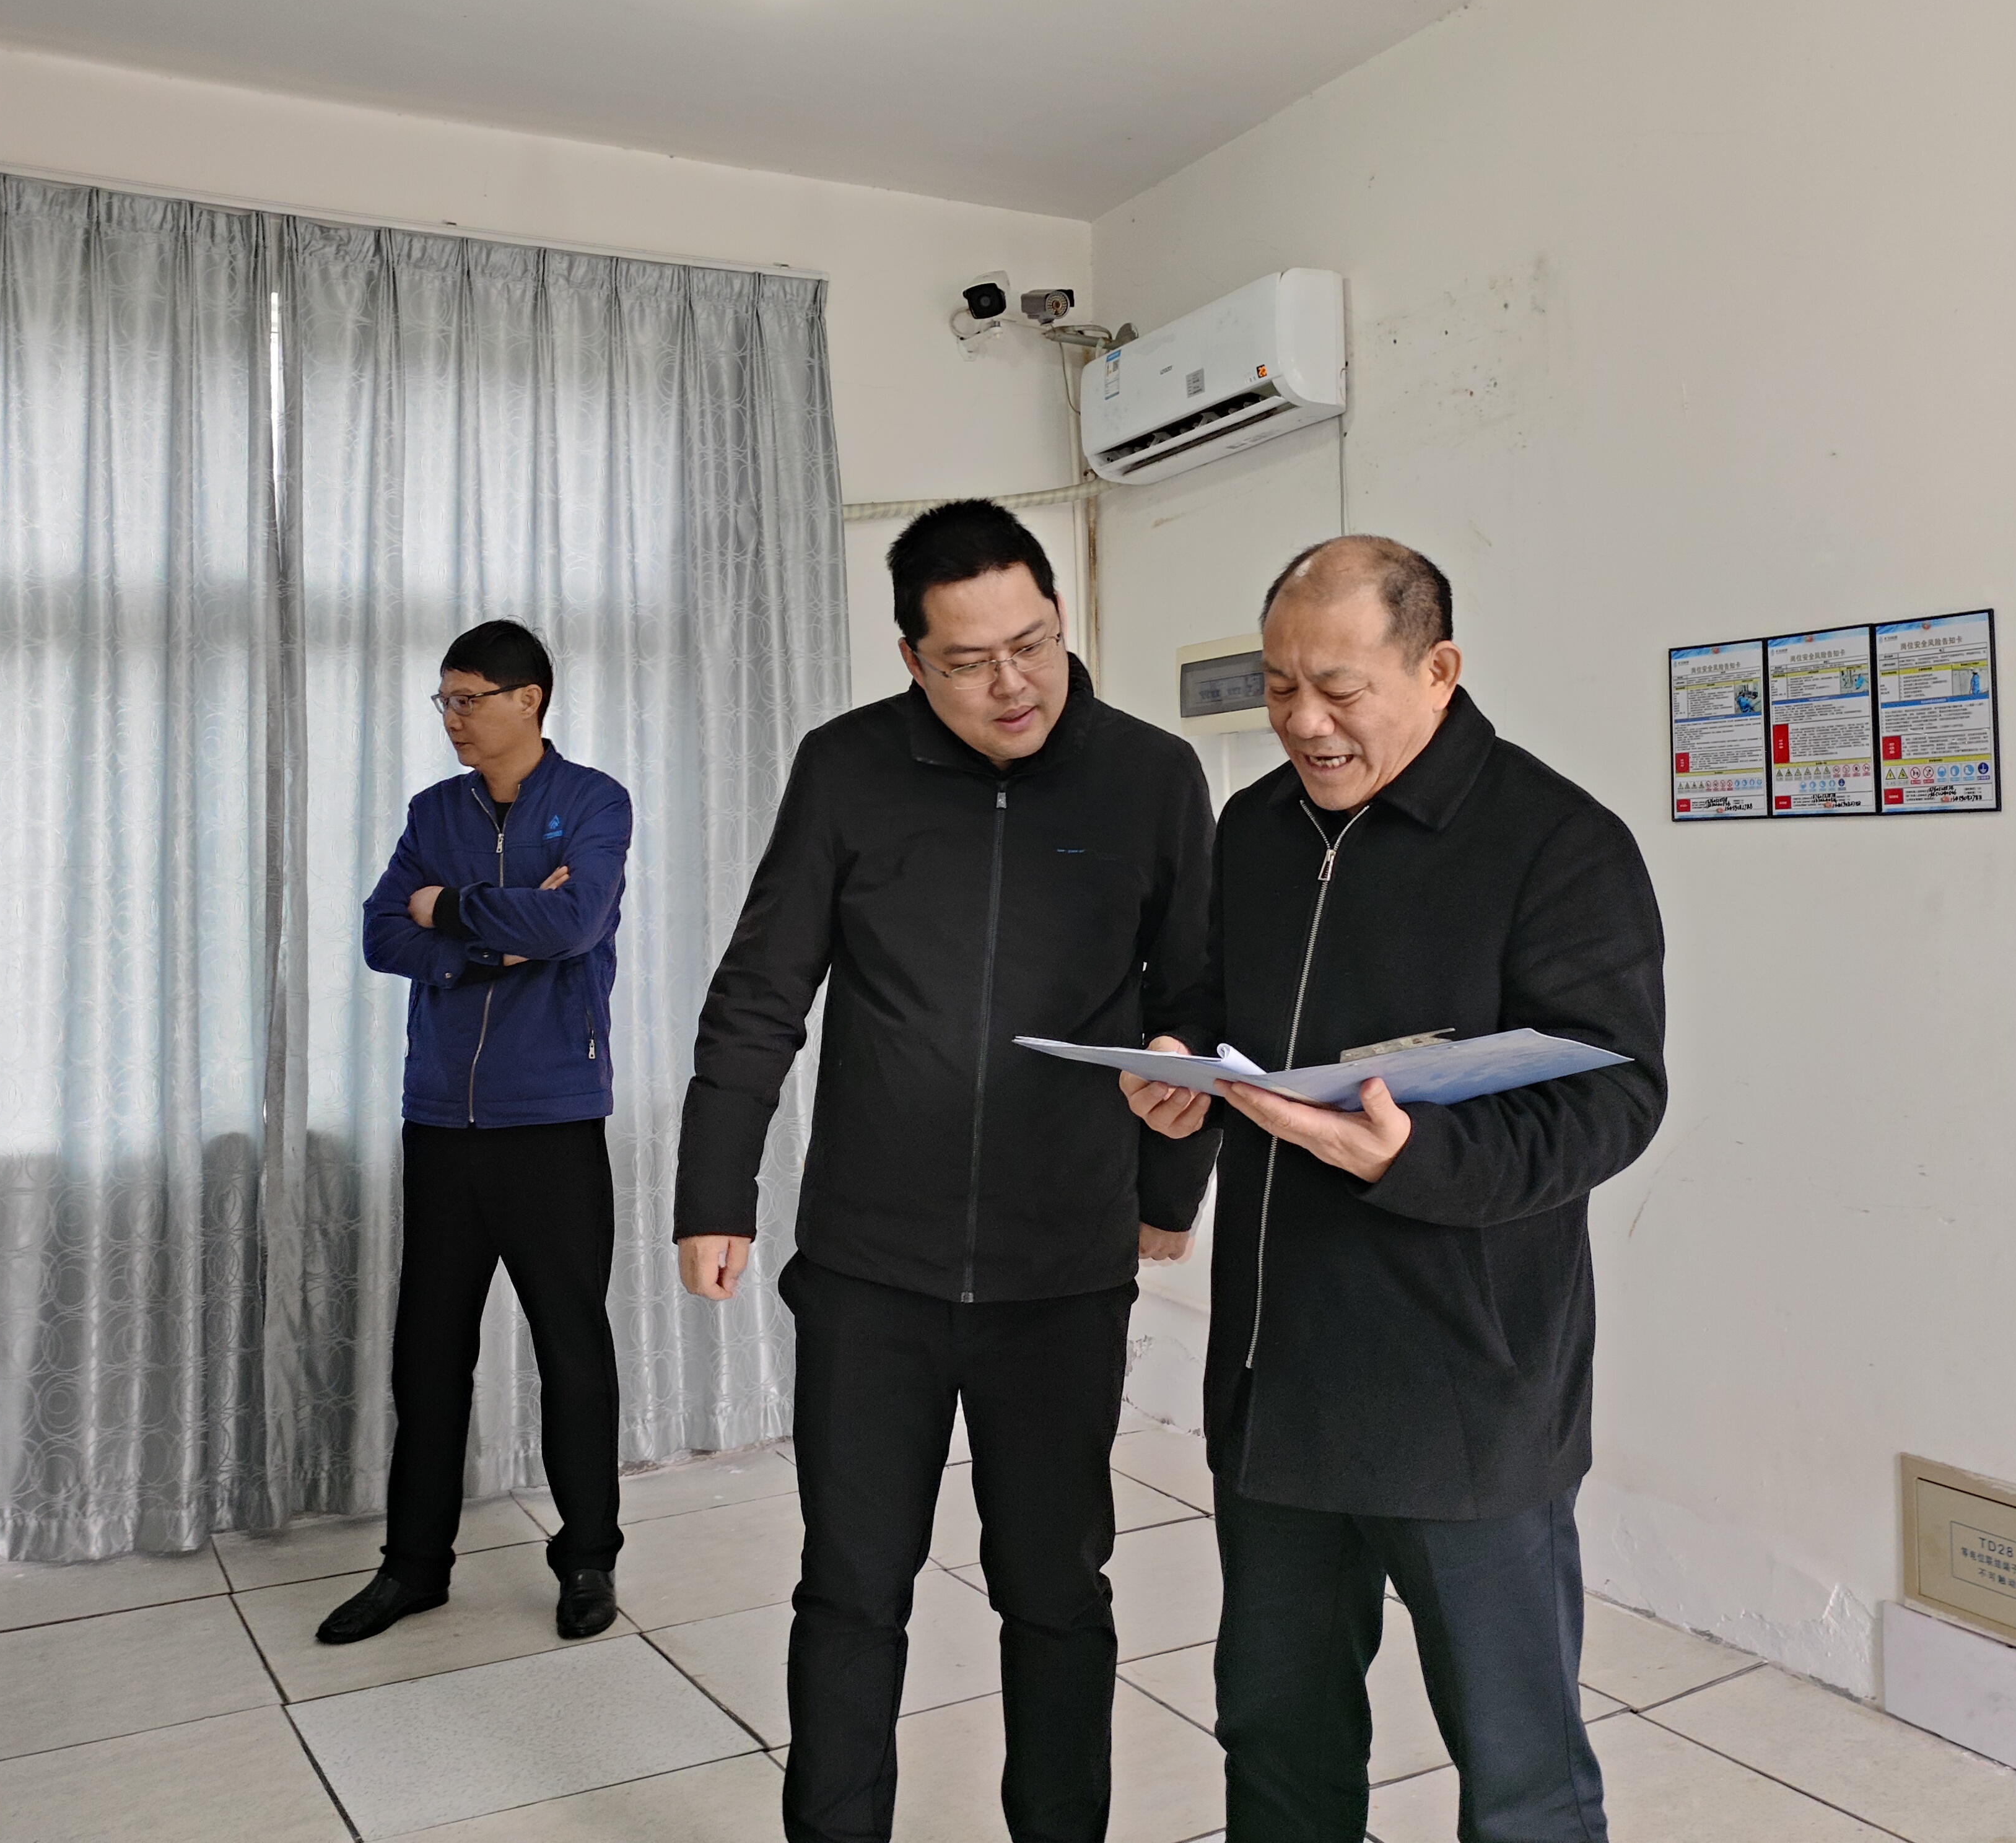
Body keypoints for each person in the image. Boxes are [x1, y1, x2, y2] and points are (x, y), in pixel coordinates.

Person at [676, 500, 1218, 1843]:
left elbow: (1196, 1001)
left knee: (1056, 1591)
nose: (1012, 683)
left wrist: (1167, 1191)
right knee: (852, 1590)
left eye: (1032, 643)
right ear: (913, 658)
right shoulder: (846, 768)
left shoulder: (1150, 776)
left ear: (1058, 617)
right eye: (970, 661)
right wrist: (714, 1189)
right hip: (872, 1269)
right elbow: (762, 988)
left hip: (1061, 1269)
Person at [1120, 536, 1666, 1843]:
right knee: (1276, 1740)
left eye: (1339, 689)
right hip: (1277, 1379)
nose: (1303, 723)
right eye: (1277, 687)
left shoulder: (1556, 844)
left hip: (1466, 1391)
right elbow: (1208, 1006)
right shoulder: (1254, 829)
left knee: (1518, 1772)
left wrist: (1410, 1161)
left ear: (1438, 669)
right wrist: (1178, 1068)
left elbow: (1613, 1100)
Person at [319, 620, 635, 1647]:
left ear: (527, 699)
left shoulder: (594, 802)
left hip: (553, 1117)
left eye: (468, 699)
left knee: (572, 1352)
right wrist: (490, 945)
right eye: (444, 701)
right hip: (441, 1120)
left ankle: (587, 1561)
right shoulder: (434, 811)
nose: (452, 719)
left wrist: (447, 907)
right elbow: (381, 933)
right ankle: (413, 1567)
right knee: (428, 1353)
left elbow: (576, 923)